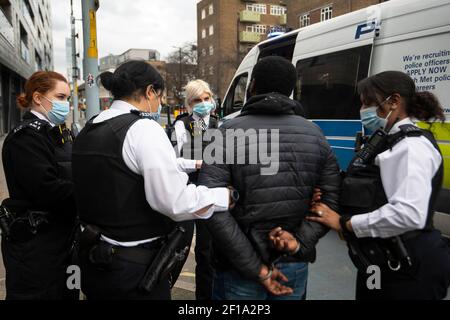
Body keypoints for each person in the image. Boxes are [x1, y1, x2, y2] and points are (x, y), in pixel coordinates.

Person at [71, 61, 233, 300]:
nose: (159, 103)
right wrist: (226, 196)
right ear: (149, 92)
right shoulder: (143, 128)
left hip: (94, 257)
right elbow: (173, 202)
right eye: (159, 96)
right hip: (133, 266)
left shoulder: (91, 126)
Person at [197, 56, 341, 300]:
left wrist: (255, 267)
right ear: (291, 91)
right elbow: (329, 201)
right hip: (292, 263)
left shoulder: (225, 132)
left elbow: (209, 202)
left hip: (238, 268)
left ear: (252, 86)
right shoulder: (315, 133)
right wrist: (297, 244)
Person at [308, 71, 450, 300]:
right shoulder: (388, 141)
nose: (362, 109)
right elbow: (371, 188)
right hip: (379, 261)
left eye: (368, 103)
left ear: (394, 101)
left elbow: (408, 214)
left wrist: (345, 223)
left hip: (406, 266)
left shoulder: (411, 147)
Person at [1, 71, 78, 300]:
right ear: (37, 97)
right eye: (60, 97)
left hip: (61, 239)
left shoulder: (57, 132)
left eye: (67, 98)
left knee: (68, 291)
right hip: (36, 244)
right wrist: (91, 191)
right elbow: (46, 188)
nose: (66, 104)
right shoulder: (26, 136)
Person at [172, 79, 219, 300]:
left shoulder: (220, 124)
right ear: (190, 103)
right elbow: (173, 160)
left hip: (217, 192)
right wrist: (197, 163)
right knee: (201, 252)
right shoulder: (182, 125)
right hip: (192, 192)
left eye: (206, 98)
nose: (203, 103)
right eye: (197, 100)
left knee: (216, 253)